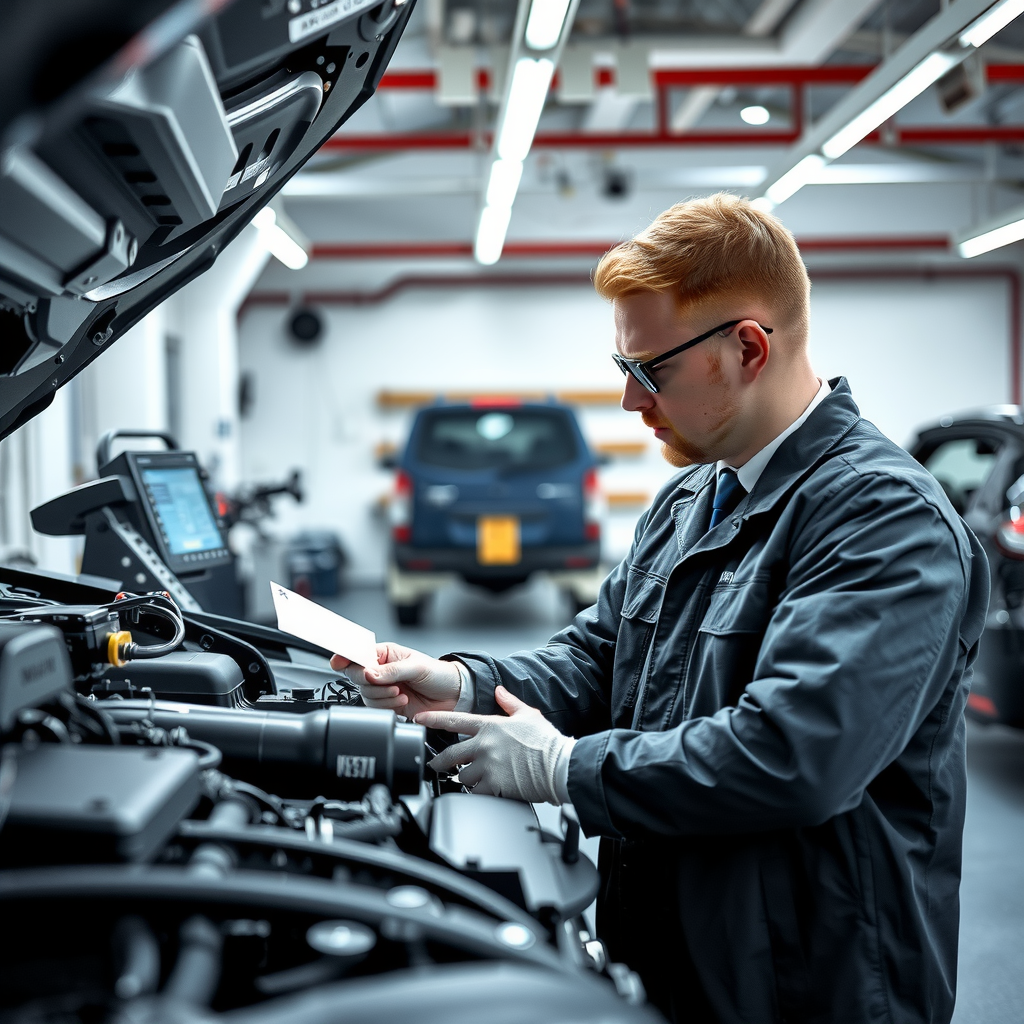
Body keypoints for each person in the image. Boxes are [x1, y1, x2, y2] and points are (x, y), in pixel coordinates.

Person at [331, 193, 990, 1024]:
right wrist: (463, 682)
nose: (630, 402)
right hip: (674, 960)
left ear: (748, 348)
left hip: (807, 987)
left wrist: (565, 770)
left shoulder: (883, 518)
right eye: (624, 368)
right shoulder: (690, 501)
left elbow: (797, 753)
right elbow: (599, 659)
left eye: (651, 372)